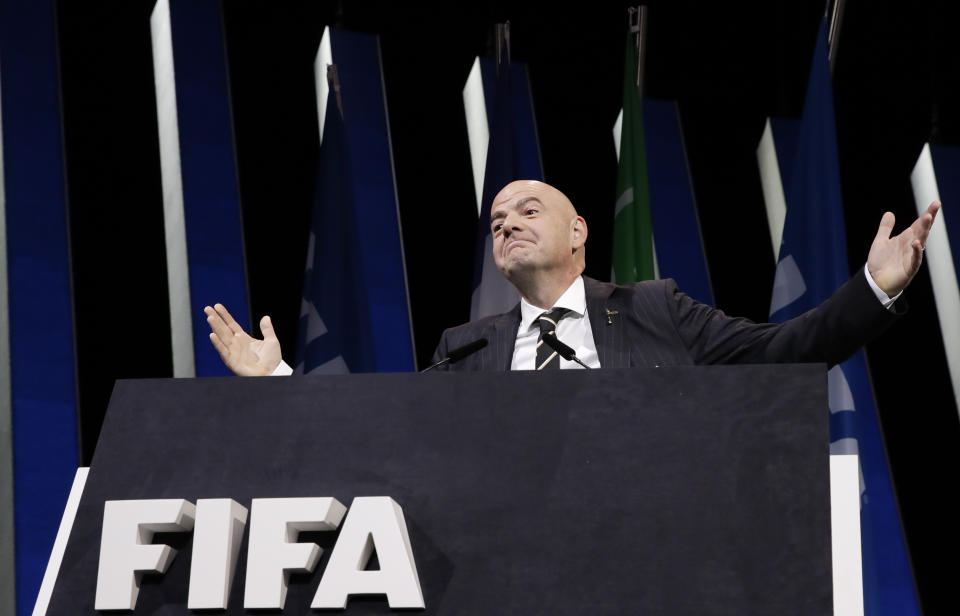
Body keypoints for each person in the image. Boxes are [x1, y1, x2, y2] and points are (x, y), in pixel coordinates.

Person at [205, 180, 939, 374]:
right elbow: (390, 434)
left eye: (528, 210)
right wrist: (279, 383)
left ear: (579, 231)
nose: (507, 224)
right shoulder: (465, 347)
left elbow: (789, 350)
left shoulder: (657, 310)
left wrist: (874, 287)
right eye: (496, 221)